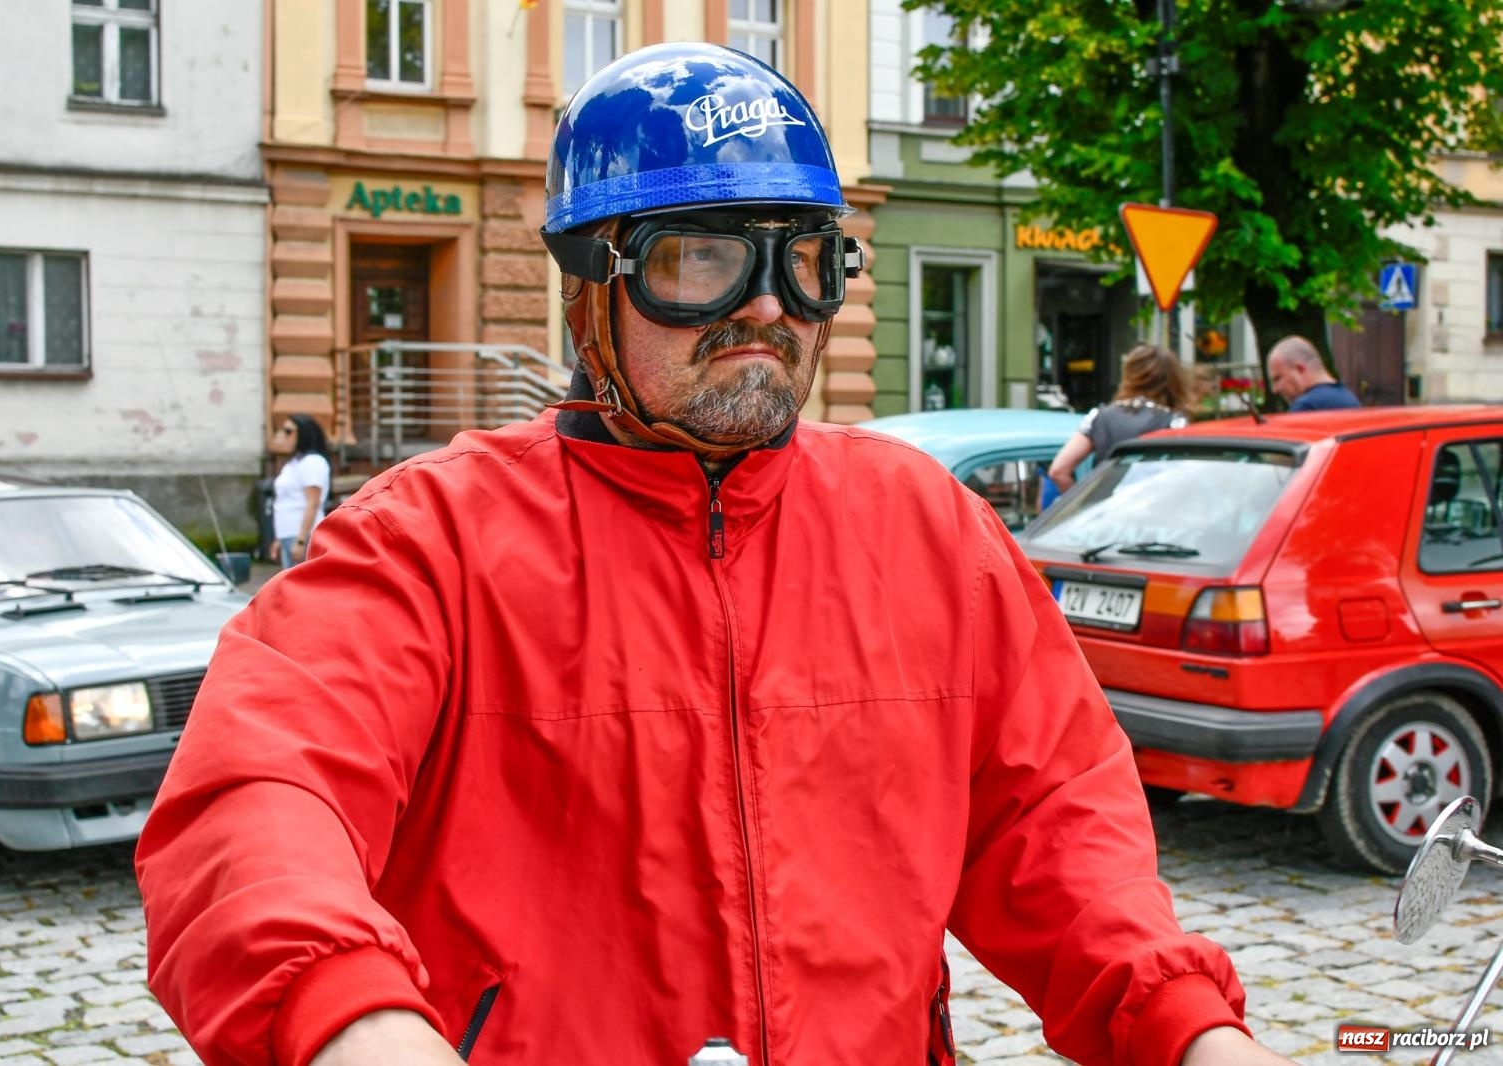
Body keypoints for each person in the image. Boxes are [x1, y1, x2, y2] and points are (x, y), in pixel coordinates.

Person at [135, 43, 1298, 1066]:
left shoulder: (925, 529)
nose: (766, 308)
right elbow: (257, 793)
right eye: (703, 258)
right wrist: (351, 1017)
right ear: (593, 284)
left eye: (803, 260)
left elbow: (1057, 822)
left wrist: (1185, 1025)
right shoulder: (427, 540)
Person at [1046, 344, 1195, 492]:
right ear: (1173, 380)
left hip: (1107, 510)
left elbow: (1058, 471)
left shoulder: (1099, 417)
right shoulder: (1175, 422)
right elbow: (1184, 476)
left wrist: (1082, 506)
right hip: (1153, 508)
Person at [267, 413, 331, 569]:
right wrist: (278, 539)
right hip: (287, 533)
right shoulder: (293, 463)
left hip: (303, 534)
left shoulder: (313, 462)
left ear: (303, 433)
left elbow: (313, 502)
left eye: (289, 431)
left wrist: (301, 540)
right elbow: (285, 501)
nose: (285, 436)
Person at [1265, 336, 1362, 411]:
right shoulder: (1349, 398)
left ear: (1300, 370)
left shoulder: (1307, 406)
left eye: (1278, 379)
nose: (1274, 390)